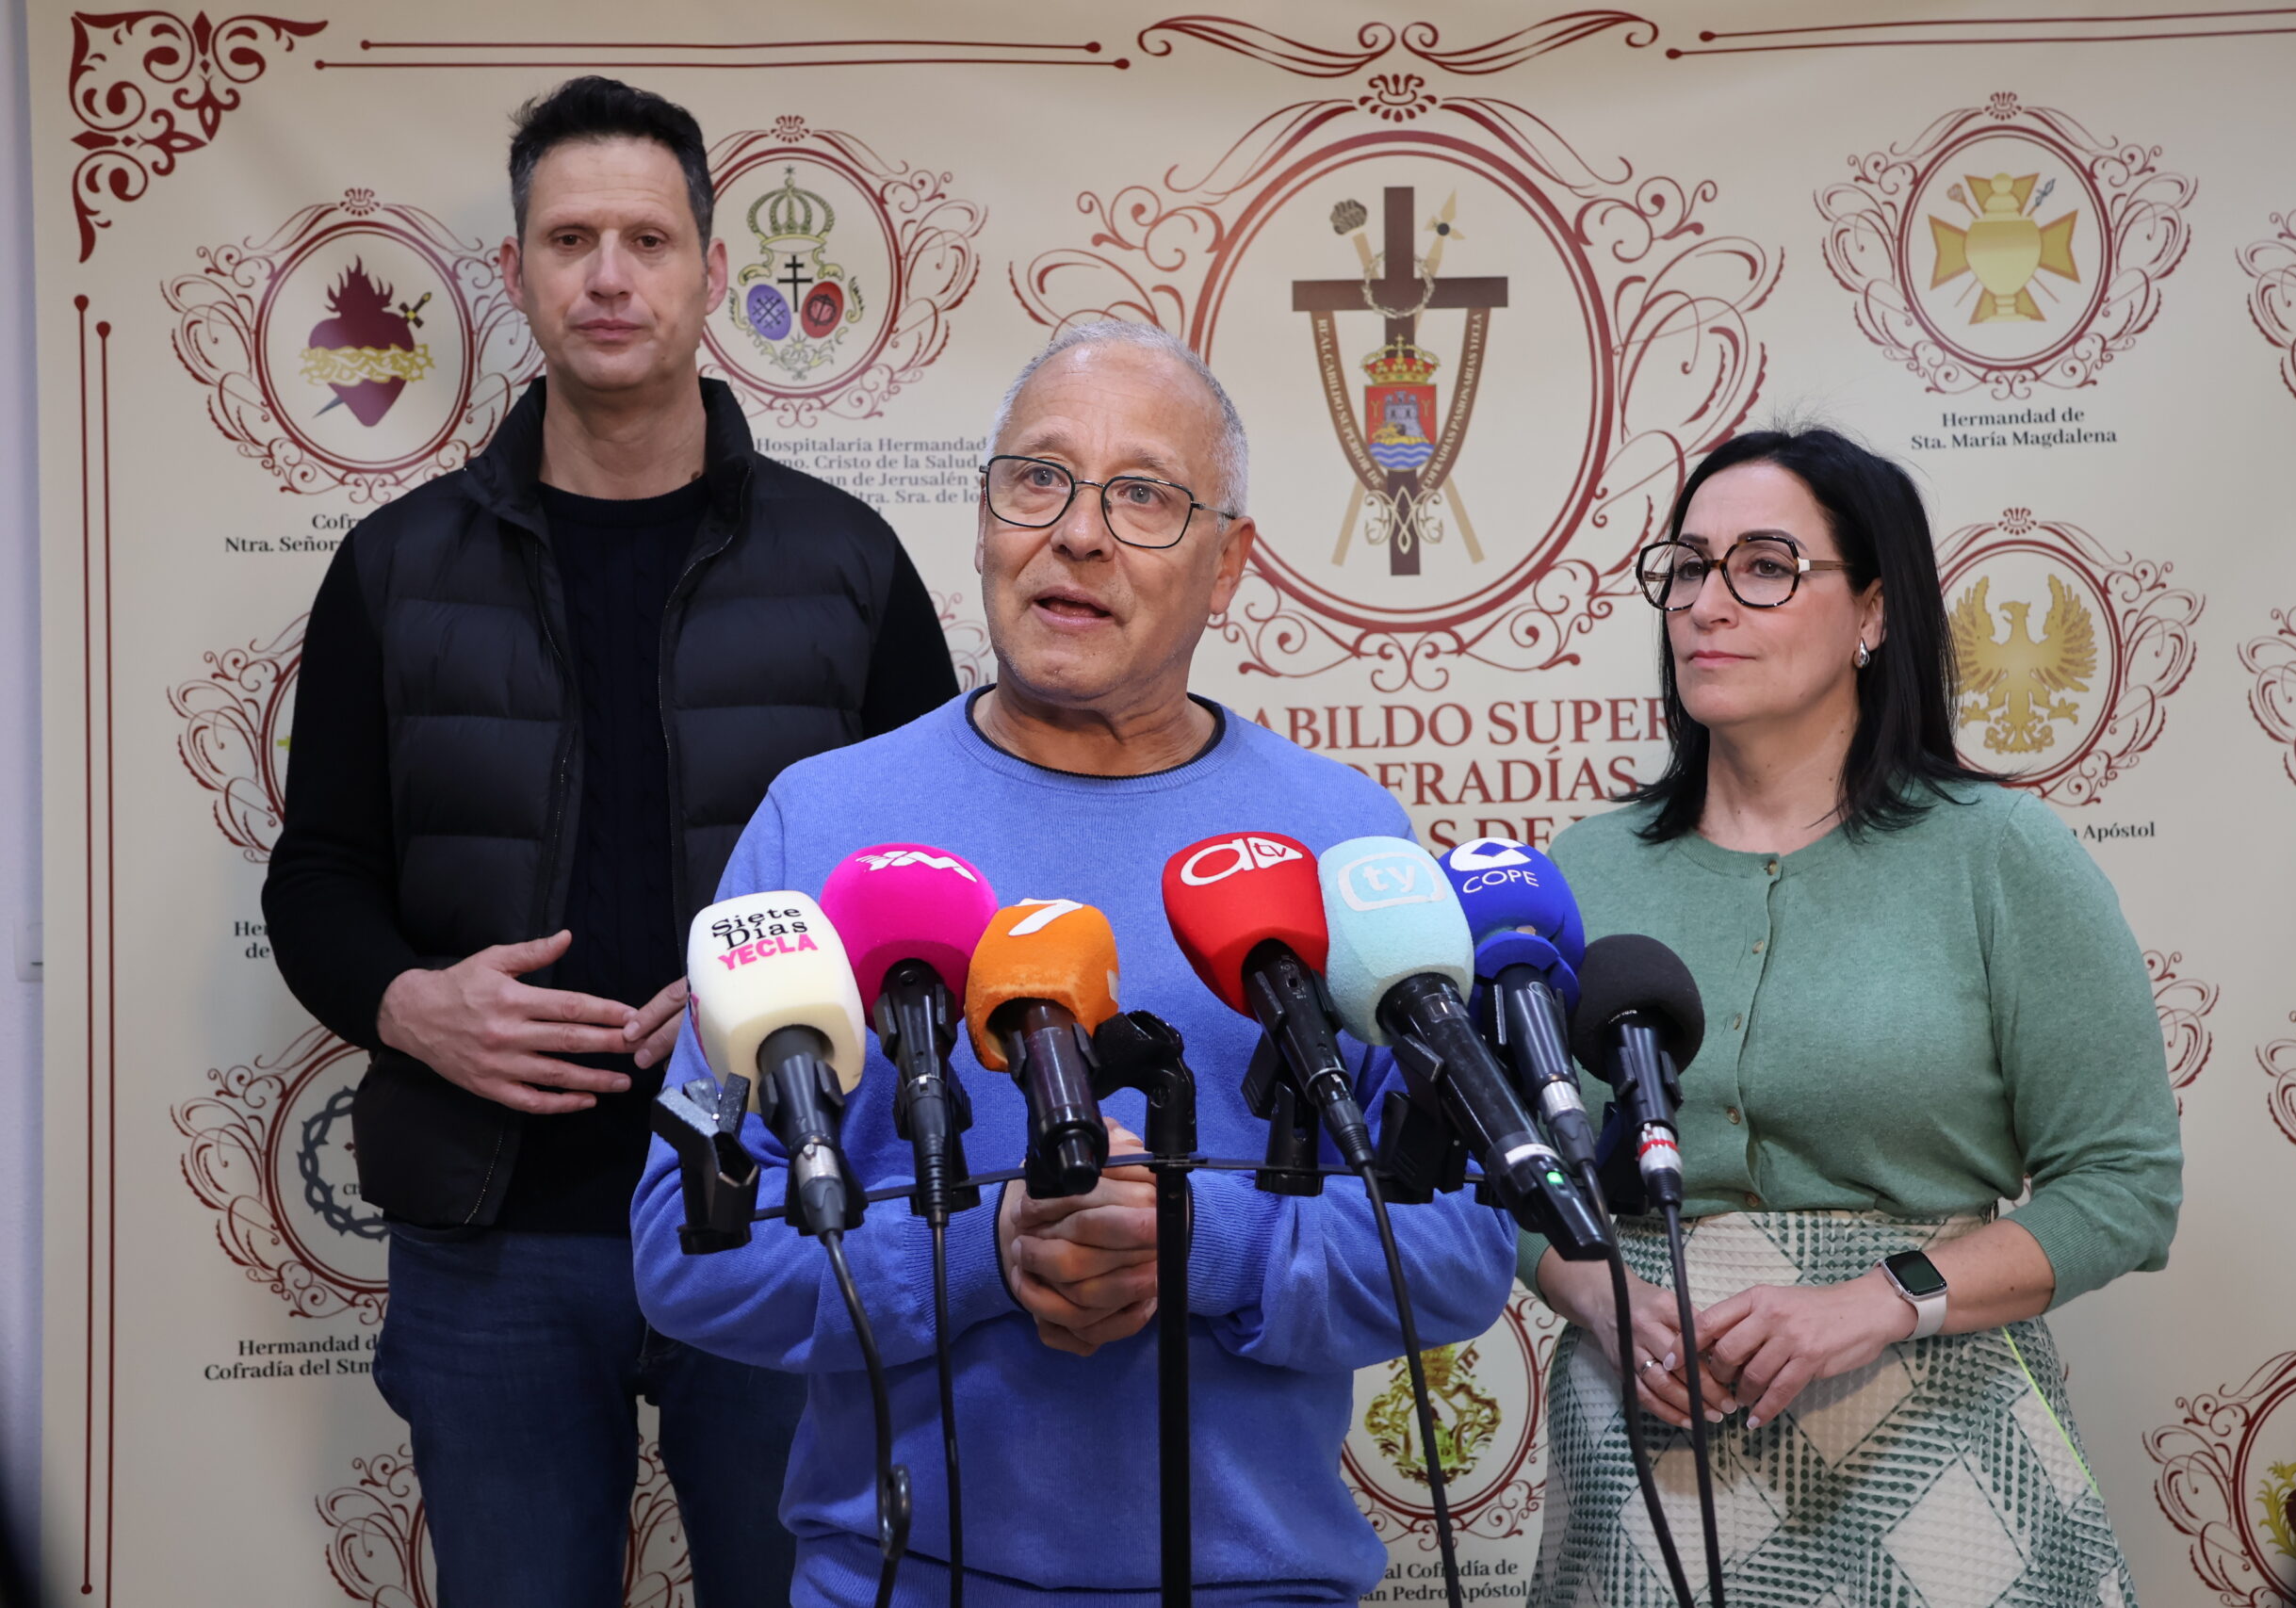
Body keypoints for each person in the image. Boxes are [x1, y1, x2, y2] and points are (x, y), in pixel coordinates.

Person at [630, 318, 1517, 1605]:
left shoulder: (1345, 840)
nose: (1079, 532)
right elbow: (680, 1249)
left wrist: (1202, 1243)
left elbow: (1462, 1246)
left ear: (1230, 567)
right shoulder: (817, 823)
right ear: (985, 521)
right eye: (1036, 478)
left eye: (1145, 495)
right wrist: (981, 1252)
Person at [261, 77, 958, 1606]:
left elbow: (937, 894)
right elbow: (314, 881)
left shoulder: (849, 565)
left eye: (647, 238)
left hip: (789, 1203)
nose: (609, 274)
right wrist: (408, 1003)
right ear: (514, 273)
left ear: (711, 270)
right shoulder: (395, 569)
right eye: (569, 237)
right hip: (497, 1234)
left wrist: (773, 996)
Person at [1523, 429, 2182, 1606]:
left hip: (1935, 1441)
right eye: (1686, 566)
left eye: (1764, 566)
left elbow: (2122, 1186)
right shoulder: (1582, 871)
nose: (1705, 604)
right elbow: (1501, 1168)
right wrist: (1599, 1297)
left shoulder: (1998, 856)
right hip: (1646, 1449)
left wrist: (1875, 1302)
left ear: (1873, 612)